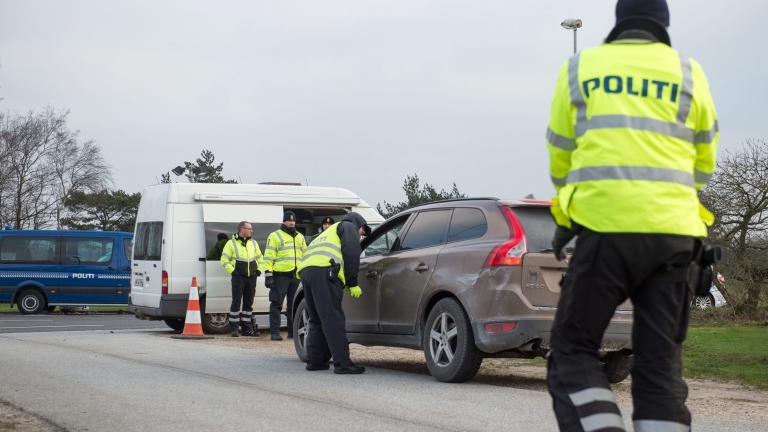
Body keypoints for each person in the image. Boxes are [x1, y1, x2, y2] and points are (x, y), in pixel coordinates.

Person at [544, 1, 718, 431]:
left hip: (606, 231)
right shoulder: (689, 72)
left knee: (573, 349)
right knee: (660, 366)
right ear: (664, 25)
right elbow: (704, 165)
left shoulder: (580, 68)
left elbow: (561, 160)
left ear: (620, 23)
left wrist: (567, 216)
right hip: (676, 237)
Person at [297, 212, 370, 374]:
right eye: (364, 228)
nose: (363, 233)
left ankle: (314, 361)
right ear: (358, 222)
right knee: (333, 318)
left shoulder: (326, 234)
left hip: (306, 273)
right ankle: (342, 364)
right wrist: (352, 282)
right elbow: (352, 253)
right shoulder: (348, 226)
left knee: (316, 319)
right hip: (324, 271)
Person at [264, 211, 307, 341]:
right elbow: (269, 256)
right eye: (289, 220)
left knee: (293, 306)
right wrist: (269, 275)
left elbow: (305, 255)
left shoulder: (300, 236)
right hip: (280, 276)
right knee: (276, 304)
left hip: (295, 276)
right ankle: (275, 332)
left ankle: (292, 332)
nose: (292, 222)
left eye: (293, 221)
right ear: (284, 221)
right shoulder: (275, 236)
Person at [220, 221, 264, 337]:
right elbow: (224, 259)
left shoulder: (253, 243)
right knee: (236, 302)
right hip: (238, 276)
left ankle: (247, 329)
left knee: (248, 304)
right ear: (242, 229)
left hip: (251, 276)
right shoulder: (231, 243)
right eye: (249, 228)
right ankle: (234, 329)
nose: (251, 230)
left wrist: (259, 270)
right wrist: (233, 271)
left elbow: (260, 258)